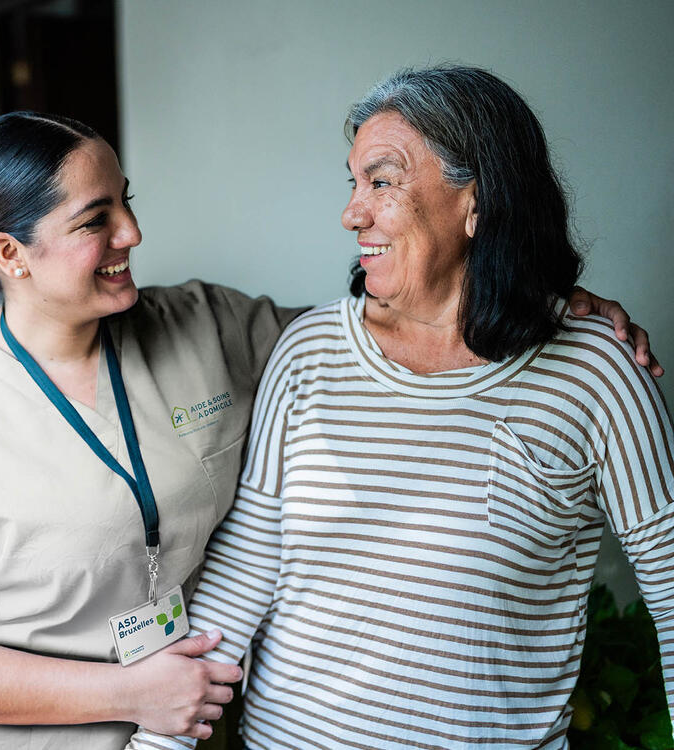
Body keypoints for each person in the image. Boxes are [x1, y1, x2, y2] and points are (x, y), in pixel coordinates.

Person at [0, 110, 658, 750]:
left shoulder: (206, 324)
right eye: (99, 218)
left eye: (129, 200)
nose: (132, 232)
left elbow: (402, 326)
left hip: (200, 725)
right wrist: (130, 694)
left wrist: (545, 303)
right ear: (9, 253)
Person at [126, 64, 674, 750]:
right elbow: (245, 573)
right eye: (354, 184)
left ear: (477, 201)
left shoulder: (596, 373)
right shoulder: (310, 352)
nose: (353, 212)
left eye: (382, 181)